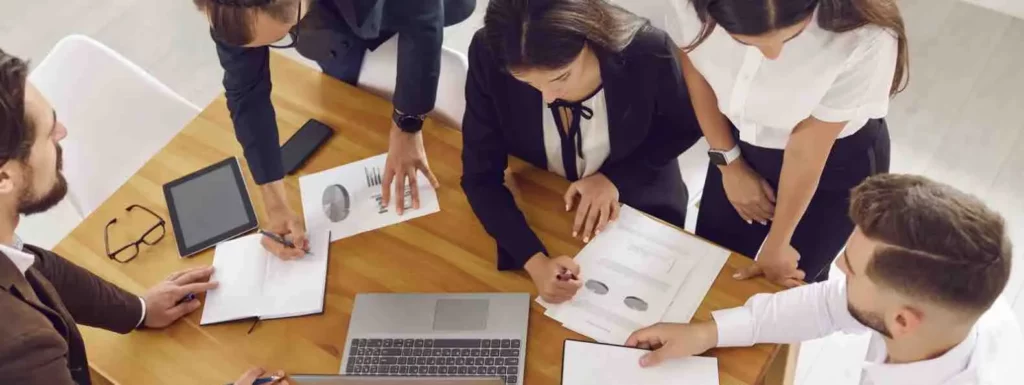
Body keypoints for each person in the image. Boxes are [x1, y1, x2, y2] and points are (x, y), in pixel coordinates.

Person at [0, 50, 284, 385]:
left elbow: (32, 267)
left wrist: (139, 310)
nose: (62, 132)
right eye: (48, 133)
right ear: (4, 178)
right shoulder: (23, 350)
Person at [627, 174, 1023, 384]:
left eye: (849, 270)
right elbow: (826, 305)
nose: (837, 271)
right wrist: (707, 333)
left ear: (902, 321)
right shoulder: (947, 305)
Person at [192, 0, 475, 259]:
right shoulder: (227, 9)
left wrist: (407, 124)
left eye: (279, 39)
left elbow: (423, 16)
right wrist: (275, 202)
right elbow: (247, 92)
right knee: (350, 97)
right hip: (332, 27)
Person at [462, 0, 702, 303]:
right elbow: (480, 176)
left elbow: (686, 127)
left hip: (640, 198)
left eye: (561, 77)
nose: (548, 98)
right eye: (527, 82)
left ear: (590, 39)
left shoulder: (648, 51)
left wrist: (615, 179)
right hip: (547, 200)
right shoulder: (488, 52)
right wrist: (535, 262)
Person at [660, 0, 905, 286]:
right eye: (744, 42)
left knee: (784, 283)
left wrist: (778, 243)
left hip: (831, 163)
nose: (773, 55)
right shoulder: (689, 5)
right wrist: (730, 164)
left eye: (790, 37)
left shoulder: (867, 34)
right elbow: (696, 72)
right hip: (738, 143)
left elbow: (807, 147)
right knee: (713, 264)